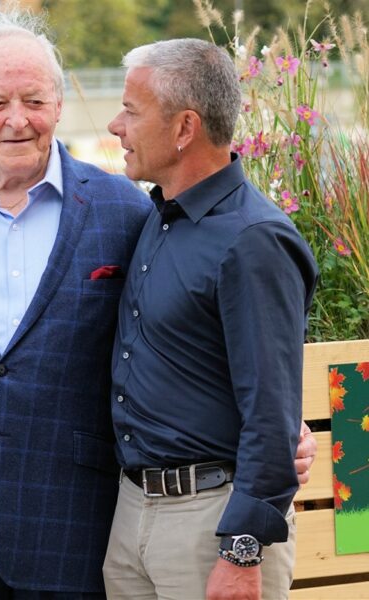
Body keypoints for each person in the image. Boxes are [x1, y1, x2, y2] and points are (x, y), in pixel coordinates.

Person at [0, 7, 317, 599]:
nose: (17, 120)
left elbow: (212, 319)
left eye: (34, 100)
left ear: (58, 104)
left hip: (76, 533)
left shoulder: (127, 211)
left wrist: (282, 432)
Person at [100, 39, 318, 600]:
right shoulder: (158, 217)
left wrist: (242, 551)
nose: (116, 126)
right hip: (132, 516)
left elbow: (271, 409)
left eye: (131, 111)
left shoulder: (254, 240)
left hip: (212, 526)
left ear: (184, 128)